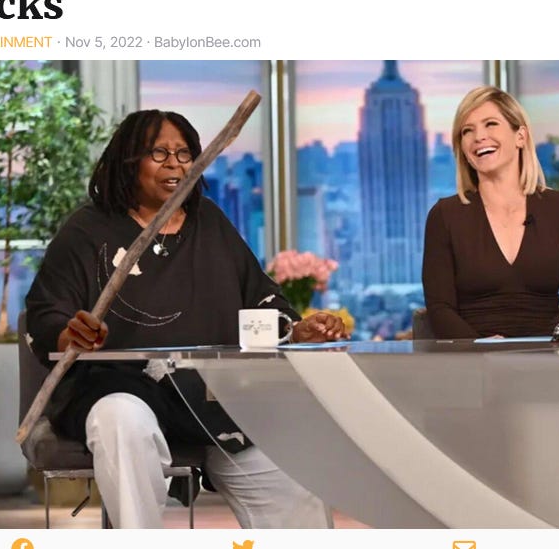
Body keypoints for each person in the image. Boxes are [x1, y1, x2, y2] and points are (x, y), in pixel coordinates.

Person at [25, 109, 347, 529]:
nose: (174, 164)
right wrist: (72, 334)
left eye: (184, 154)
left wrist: (296, 329)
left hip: (212, 396)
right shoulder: (87, 230)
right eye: (159, 153)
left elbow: (262, 298)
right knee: (122, 421)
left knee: (290, 467)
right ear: (127, 160)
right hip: (118, 387)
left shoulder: (208, 222)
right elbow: (46, 314)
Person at [421, 86, 559, 339]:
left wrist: (537, 347)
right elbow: (440, 308)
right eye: (467, 131)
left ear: (520, 136)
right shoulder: (445, 216)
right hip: (472, 356)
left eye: (490, 124)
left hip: (549, 351)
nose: (479, 137)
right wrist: (479, 346)